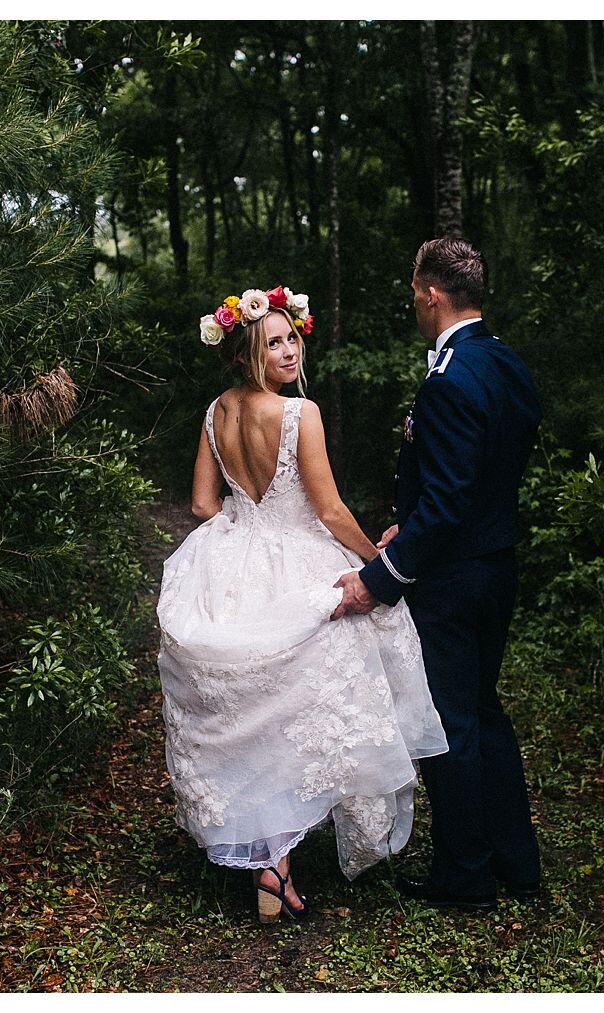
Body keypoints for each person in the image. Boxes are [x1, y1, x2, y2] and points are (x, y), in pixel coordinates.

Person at [157, 285, 448, 924]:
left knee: (254, 707)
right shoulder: (299, 415)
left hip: (234, 558)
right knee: (304, 700)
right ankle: (277, 862)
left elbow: (205, 505)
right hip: (297, 556)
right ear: (246, 353)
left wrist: (245, 516)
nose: (288, 351)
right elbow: (329, 508)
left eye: (292, 338)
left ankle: (271, 864)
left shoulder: (215, 412)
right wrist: (376, 562)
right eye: (274, 342)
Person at [332, 238, 543, 911]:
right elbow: (477, 479)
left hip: (452, 578)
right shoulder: (506, 363)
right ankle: (518, 863)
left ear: (430, 292)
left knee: (451, 723)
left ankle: (467, 875)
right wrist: (415, 520)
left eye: (413, 293)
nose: (413, 303)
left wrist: (378, 577)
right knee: (485, 712)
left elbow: (451, 498)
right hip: (497, 563)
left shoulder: (450, 376)